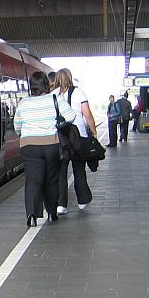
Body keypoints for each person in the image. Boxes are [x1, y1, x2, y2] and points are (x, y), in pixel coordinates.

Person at [14, 71, 75, 227]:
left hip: (29, 146)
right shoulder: (55, 99)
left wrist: (27, 133)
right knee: (51, 179)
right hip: (51, 144)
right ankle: (52, 213)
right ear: (47, 84)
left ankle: (31, 215)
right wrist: (57, 122)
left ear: (31, 86)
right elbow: (71, 116)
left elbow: (17, 126)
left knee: (32, 180)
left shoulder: (24, 103)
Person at [52, 69, 97, 215]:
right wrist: (94, 132)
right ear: (70, 78)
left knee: (61, 172)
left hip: (60, 138)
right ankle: (82, 201)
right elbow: (87, 114)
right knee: (79, 169)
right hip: (78, 137)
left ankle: (61, 205)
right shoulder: (79, 93)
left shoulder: (53, 95)